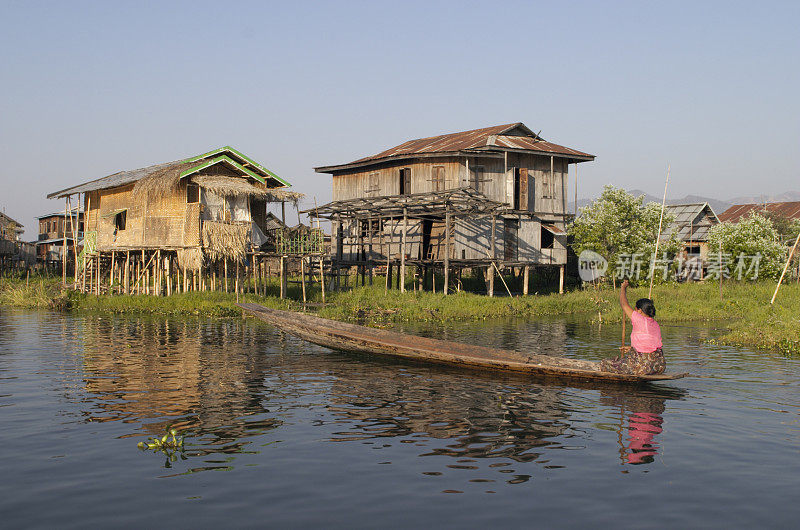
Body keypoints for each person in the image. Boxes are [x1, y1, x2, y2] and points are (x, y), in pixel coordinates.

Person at [600, 279, 666, 375]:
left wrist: (623, 288)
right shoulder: (655, 324)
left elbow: (624, 304)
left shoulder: (639, 319)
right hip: (659, 365)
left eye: (635, 309)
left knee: (605, 363)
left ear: (639, 310)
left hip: (644, 367)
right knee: (625, 360)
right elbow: (649, 344)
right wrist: (632, 349)